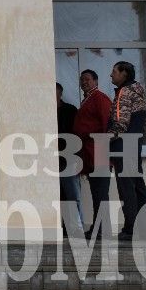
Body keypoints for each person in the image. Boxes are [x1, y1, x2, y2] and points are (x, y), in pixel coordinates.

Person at [109, 61, 146, 240]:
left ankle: (131, 229)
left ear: (124, 74)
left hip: (123, 145)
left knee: (126, 188)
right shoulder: (138, 91)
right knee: (138, 186)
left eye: (114, 71)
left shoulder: (123, 92)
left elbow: (120, 123)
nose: (111, 75)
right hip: (136, 143)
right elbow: (145, 121)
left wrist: (104, 139)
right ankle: (144, 226)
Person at [73, 68, 112, 240]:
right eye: (82, 80)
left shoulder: (100, 98)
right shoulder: (87, 99)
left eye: (88, 79)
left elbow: (107, 124)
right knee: (96, 193)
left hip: (99, 152)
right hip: (89, 153)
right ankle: (98, 228)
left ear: (96, 81)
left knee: (100, 194)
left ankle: (101, 230)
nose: (84, 82)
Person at [56, 83, 82, 235]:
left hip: (69, 157)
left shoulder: (70, 110)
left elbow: (76, 133)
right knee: (59, 194)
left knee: (72, 194)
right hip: (51, 158)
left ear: (60, 94)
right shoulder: (45, 111)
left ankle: (75, 227)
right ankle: (65, 226)